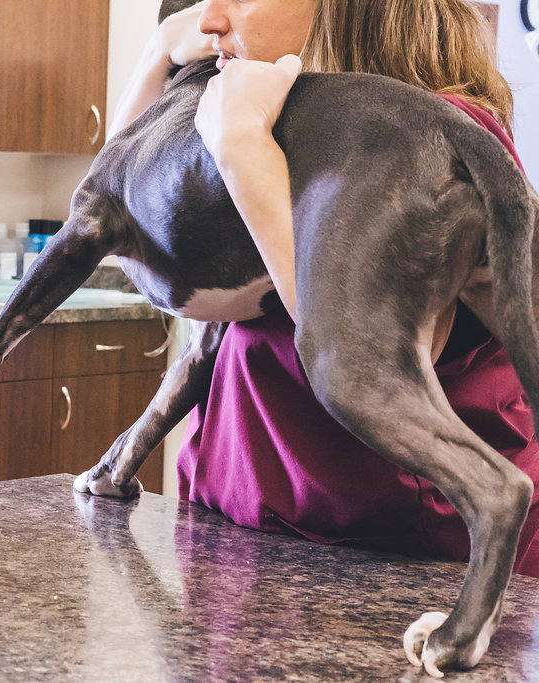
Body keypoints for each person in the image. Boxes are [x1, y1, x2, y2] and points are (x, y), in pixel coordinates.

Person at [114, 0, 539, 574]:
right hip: (245, 543)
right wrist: (158, 50)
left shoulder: (437, 140)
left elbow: (370, 353)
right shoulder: (291, 130)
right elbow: (115, 214)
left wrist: (244, 154)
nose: (209, 22)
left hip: (397, 567)